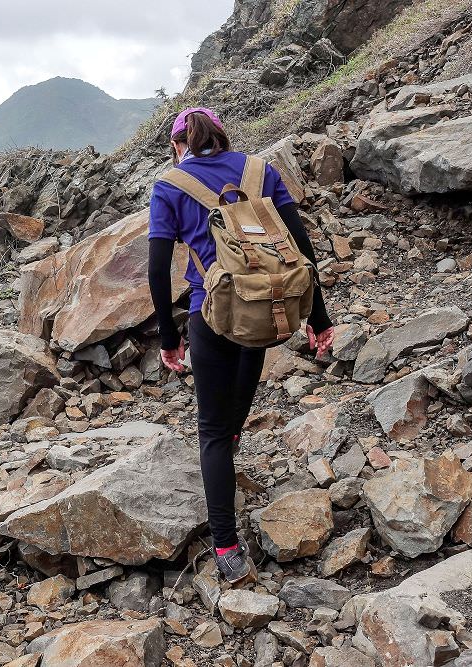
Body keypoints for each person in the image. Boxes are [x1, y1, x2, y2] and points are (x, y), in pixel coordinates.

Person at [147, 107, 335, 583]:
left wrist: (170, 341)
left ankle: (227, 547)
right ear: (223, 136)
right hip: (265, 310)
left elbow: (156, 269)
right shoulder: (260, 170)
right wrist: (318, 318)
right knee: (232, 418)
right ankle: (227, 463)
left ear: (178, 145)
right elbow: (301, 245)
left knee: (210, 430)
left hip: (210, 313)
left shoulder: (171, 185)